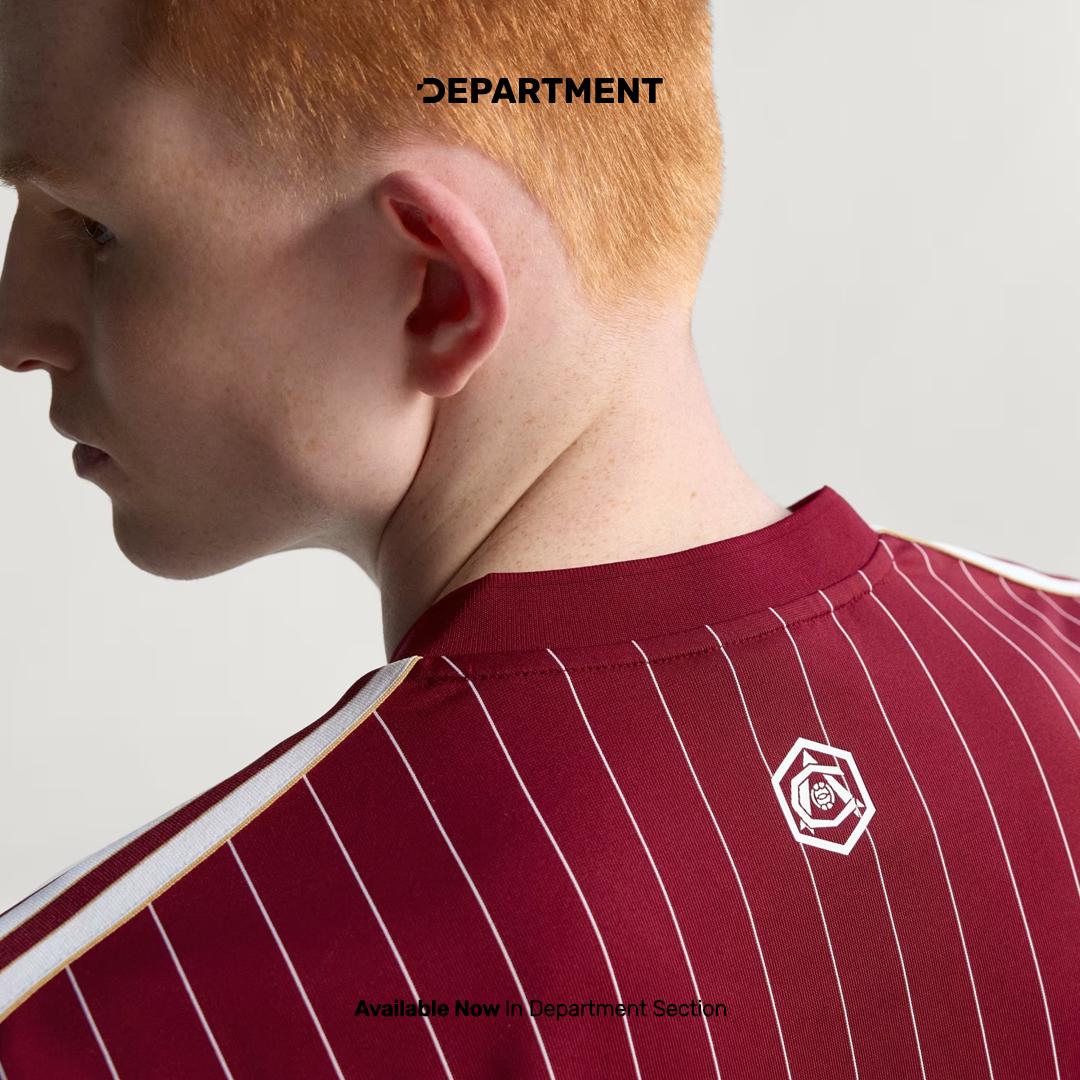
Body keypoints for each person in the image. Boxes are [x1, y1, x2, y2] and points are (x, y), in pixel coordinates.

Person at [0, 0, 1077, 1075]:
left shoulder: (98, 1019)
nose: (16, 325)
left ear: (435, 292)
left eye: (91, 228)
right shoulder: (1059, 676)